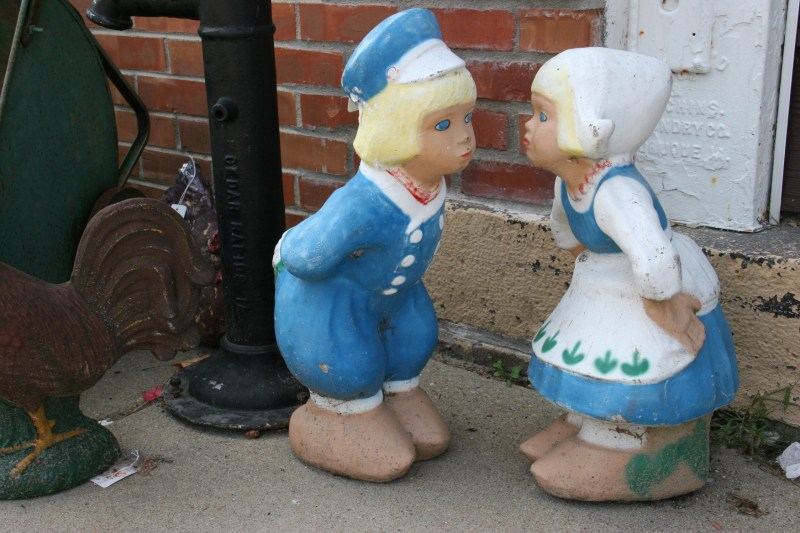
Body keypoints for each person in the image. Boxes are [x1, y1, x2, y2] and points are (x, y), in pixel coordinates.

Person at [520, 47, 738, 500]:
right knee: (585, 351)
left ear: (593, 130)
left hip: (648, 293)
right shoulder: (572, 181)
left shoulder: (616, 191)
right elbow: (566, 227)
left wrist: (663, 305)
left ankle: (625, 442)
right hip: (605, 282)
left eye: (544, 116)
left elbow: (655, 259)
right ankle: (584, 422)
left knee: (630, 365)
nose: (528, 125)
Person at [273, 8, 476, 482]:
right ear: (397, 129)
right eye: (442, 125)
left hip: (391, 299)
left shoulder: (428, 183)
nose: (466, 136)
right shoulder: (364, 203)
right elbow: (306, 255)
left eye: (467, 117)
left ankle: (398, 392)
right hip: (333, 310)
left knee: (415, 336)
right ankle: (337, 412)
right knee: (351, 365)